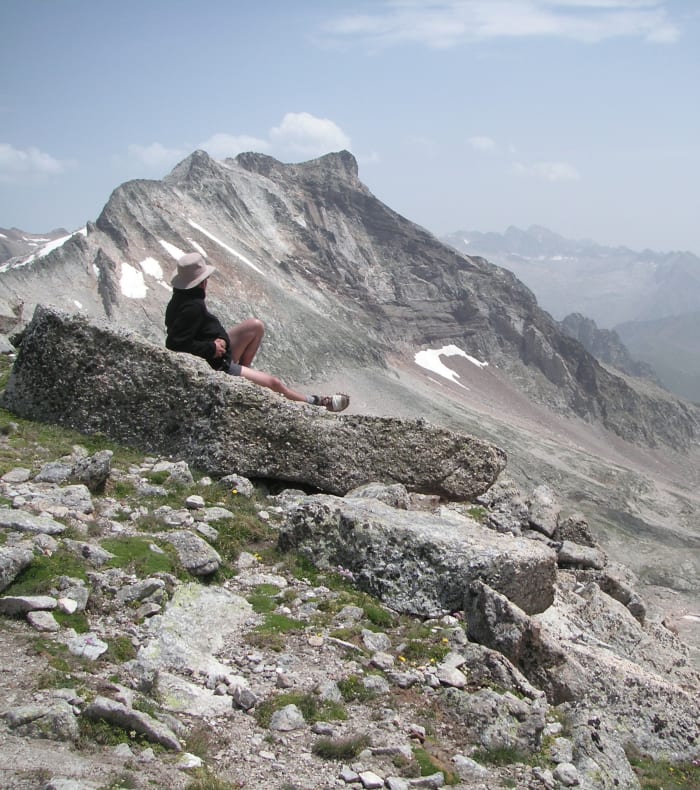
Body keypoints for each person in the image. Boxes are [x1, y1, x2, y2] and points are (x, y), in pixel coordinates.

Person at [165, 252, 350, 412]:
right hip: (216, 362)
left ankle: (245, 380)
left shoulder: (182, 299)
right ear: (202, 282)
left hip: (218, 353)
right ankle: (316, 402)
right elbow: (175, 343)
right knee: (275, 384)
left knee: (256, 326)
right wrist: (211, 347)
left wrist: (219, 339)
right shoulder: (192, 307)